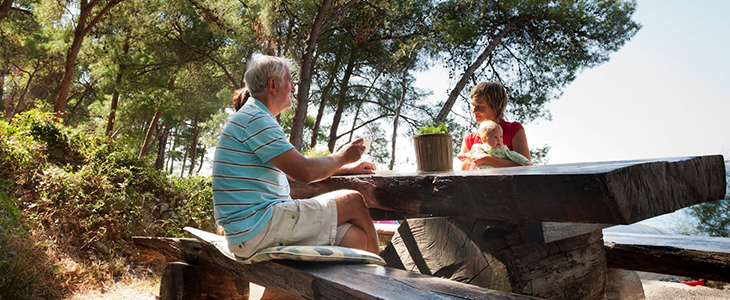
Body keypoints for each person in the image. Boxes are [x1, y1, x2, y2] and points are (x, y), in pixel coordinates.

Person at [212, 55, 380, 259]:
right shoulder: (257, 119)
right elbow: (305, 172)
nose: (293, 89)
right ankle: (382, 276)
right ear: (273, 84)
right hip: (259, 226)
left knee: (353, 237)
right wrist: (343, 156)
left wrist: (345, 168)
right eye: (290, 82)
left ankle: (283, 292)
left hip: (249, 231)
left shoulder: (253, 117)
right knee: (353, 201)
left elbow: (290, 172)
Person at [458, 82, 531, 170]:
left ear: (496, 107)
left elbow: (526, 167)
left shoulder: (513, 129)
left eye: (479, 106)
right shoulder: (469, 139)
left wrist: (488, 160)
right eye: (472, 105)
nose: (473, 110)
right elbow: (462, 173)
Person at [458, 120, 532, 169]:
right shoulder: (478, 148)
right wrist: (464, 156)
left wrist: (525, 162)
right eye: (495, 137)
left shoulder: (503, 149)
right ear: (484, 139)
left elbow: (515, 156)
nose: (499, 140)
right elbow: (471, 157)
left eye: (501, 137)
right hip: (481, 178)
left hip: (499, 177)